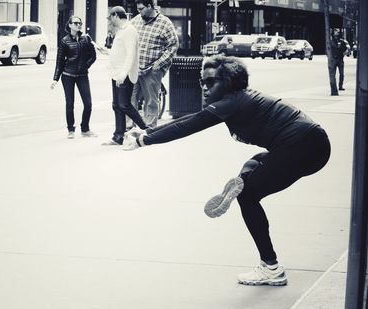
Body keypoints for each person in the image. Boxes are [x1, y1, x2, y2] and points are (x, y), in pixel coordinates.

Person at [124, 55, 331, 286]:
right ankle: (241, 180)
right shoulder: (236, 100)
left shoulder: (231, 103)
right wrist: (147, 132)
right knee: (257, 161)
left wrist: (145, 140)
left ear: (229, 82)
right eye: (202, 81)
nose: (204, 87)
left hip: (301, 145)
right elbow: (193, 118)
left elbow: (190, 125)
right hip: (310, 144)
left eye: (211, 82)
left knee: (248, 197)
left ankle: (271, 267)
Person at [102, 6, 149, 146]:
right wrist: (106, 51)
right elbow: (120, 52)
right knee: (117, 105)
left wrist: (123, 74)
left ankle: (146, 129)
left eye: (111, 18)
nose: (110, 21)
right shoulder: (122, 30)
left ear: (116, 15)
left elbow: (130, 55)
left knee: (124, 104)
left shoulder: (129, 31)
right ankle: (118, 137)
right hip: (117, 73)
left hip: (124, 74)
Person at [130, 0, 179, 128]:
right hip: (134, 69)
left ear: (150, 6)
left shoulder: (165, 23)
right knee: (130, 99)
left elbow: (173, 45)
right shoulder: (135, 21)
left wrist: (159, 63)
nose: (139, 12)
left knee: (151, 101)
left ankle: (149, 129)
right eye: (138, 9)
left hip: (152, 69)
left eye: (141, 9)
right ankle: (129, 126)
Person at [51, 16, 97, 139]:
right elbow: (60, 61)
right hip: (68, 76)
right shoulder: (64, 41)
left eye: (80, 23)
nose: (78, 25)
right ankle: (70, 129)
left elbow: (93, 56)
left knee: (88, 103)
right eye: (76, 23)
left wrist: (86, 66)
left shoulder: (86, 39)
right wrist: (55, 78)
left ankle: (85, 129)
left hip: (82, 75)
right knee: (70, 103)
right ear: (70, 25)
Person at [331, 28, 348, 93]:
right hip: (334, 59)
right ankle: (334, 86)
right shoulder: (331, 40)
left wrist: (344, 50)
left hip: (340, 59)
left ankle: (340, 86)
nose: (337, 33)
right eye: (336, 31)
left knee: (342, 74)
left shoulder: (341, 40)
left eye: (338, 32)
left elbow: (345, 49)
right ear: (333, 32)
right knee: (333, 74)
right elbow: (328, 49)